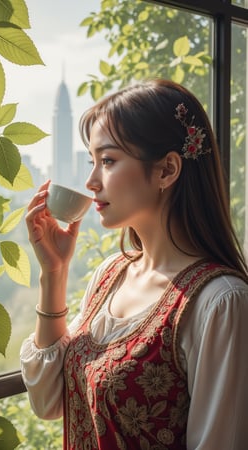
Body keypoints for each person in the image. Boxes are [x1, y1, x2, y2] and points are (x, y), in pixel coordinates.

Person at [20, 79, 248, 450]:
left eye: (107, 160)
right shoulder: (110, 274)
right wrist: (54, 273)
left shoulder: (220, 303)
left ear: (166, 170)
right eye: (92, 161)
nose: (91, 181)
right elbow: (48, 400)